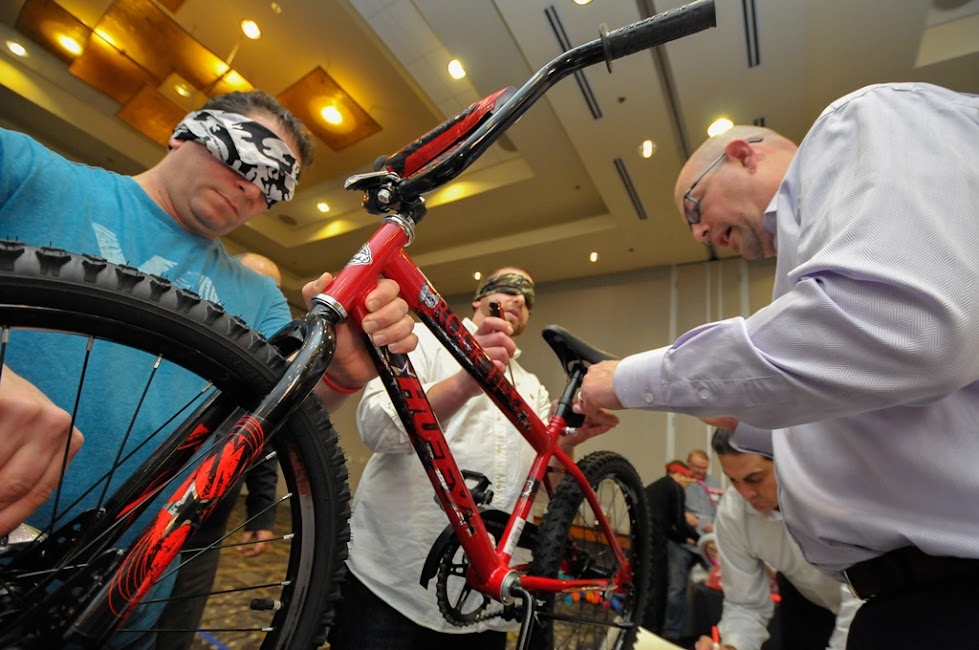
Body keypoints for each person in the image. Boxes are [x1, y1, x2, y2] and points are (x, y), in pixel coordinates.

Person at [0, 90, 417, 640]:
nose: (253, 188)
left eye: (276, 185)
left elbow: (272, 423)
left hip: (120, 598)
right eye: (246, 155)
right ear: (184, 133)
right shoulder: (27, 172)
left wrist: (338, 375)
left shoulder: (259, 298)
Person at [576, 82, 979, 648]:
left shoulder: (858, 121)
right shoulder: (817, 245)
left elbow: (906, 328)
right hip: (912, 599)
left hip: (954, 595)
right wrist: (741, 414)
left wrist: (626, 378)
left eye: (694, 206)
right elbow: (882, 395)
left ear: (742, 154)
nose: (698, 233)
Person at [328, 267, 619, 650]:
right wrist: (466, 382)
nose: (519, 299)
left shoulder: (531, 387)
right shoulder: (423, 340)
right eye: (509, 288)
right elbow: (376, 428)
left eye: (528, 298)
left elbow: (547, 485)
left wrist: (570, 441)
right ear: (480, 299)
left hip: (484, 606)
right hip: (393, 585)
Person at [153, 252, 285, 650]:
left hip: (205, 530)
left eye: (272, 294)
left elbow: (263, 443)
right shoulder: (187, 336)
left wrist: (261, 513)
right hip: (144, 514)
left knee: (178, 627)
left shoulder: (262, 365)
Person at [694, 428, 860, 650]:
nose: (745, 493)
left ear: (787, 461)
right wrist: (733, 646)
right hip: (805, 601)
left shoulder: (837, 499)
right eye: (733, 480)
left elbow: (858, 600)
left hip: (870, 600)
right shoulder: (734, 512)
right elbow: (745, 604)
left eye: (754, 479)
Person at [643, 460, 700, 642]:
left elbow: (667, 526)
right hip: (656, 542)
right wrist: (699, 538)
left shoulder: (656, 486)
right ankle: (656, 634)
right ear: (679, 475)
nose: (687, 485)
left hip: (642, 540)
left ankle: (642, 629)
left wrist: (685, 539)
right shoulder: (675, 488)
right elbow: (679, 523)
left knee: (645, 585)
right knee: (659, 587)